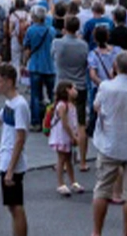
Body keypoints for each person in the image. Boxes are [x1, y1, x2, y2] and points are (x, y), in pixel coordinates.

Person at [91, 52, 127, 236]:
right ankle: (126, 233)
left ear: (115, 66)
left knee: (102, 188)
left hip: (110, 142)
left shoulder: (106, 86)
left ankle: (97, 231)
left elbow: (96, 106)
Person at [0, 64, 28, 236]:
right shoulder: (10, 103)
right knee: (11, 206)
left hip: (12, 161)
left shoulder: (20, 105)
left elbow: (20, 138)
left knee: (16, 206)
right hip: (6, 158)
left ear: (9, 82)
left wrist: (10, 169)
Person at [53, 15, 90, 171]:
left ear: (64, 27)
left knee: (62, 123)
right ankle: (82, 161)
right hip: (79, 85)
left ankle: (62, 161)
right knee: (81, 124)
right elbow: (85, 63)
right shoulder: (83, 45)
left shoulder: (57, 43)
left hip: (62, 85)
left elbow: (53, 57)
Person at [23, 5, 55, 131]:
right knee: (52, 94)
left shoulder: (30, 30)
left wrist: (24, 63)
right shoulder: (51, 30)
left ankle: (36, 122)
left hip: (35, 65)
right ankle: (52, 119)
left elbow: (27, 48)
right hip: (50, 65)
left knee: (35, 95)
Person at [48, 80, 83, 196]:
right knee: (61, 159)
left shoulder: (71, 105)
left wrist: (75, 134)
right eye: (74, 88)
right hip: (62, 136)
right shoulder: (62, 105)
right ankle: (60, 183)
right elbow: (65, 123)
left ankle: (73, 182)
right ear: (67, 90)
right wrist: (73, 135)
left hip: (67, 135)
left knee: (69, 159)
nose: (76, 91)